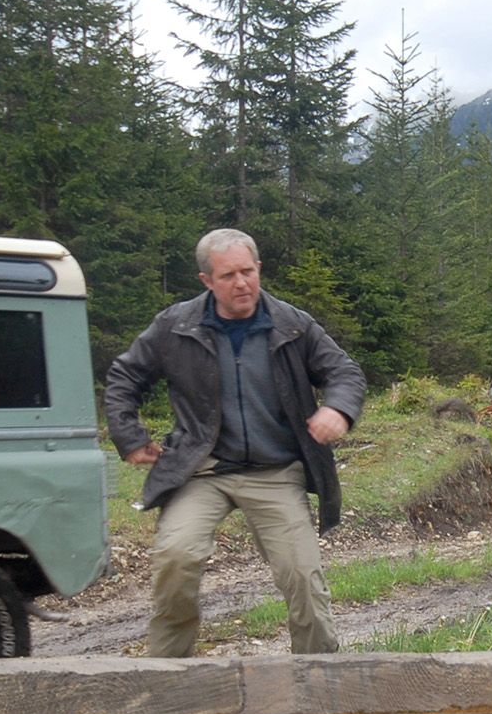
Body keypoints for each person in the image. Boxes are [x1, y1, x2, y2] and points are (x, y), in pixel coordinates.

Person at [104, 228, 366, 655]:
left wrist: (337, 408)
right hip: (201, 468)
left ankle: (317, 676)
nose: (241, 283)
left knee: (302, 575)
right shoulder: (175, 325)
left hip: (276, 470)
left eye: (248, 272)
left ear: (259, 268)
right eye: (228, 276)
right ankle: (169, 674)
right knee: (176, 557)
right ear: (207, 280)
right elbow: (124, 376)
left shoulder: (293, 324)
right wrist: (130, 436)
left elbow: (344, 372)